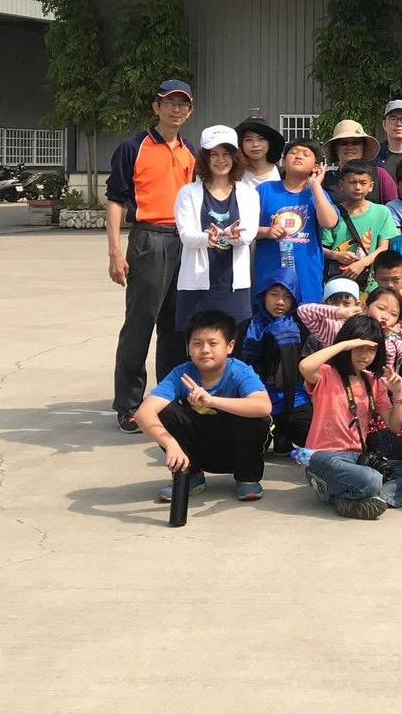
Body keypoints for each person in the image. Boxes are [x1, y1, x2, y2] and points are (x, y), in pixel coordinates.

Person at [107, 79, 198, 433]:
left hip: (185, 242)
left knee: (176, 327)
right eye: (169, 102)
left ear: (190, 111)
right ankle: (129, 404)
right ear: (156, 107)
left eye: (183, 104)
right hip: (149, 239)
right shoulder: (134, 147)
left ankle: (166, 399)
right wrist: (115, 250)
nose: (176, 109)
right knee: (140, 323)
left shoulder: (191, 151)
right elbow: (116, 199)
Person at [134, 310, 273, 503]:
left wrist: (211, 401)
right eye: (197, 343)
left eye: (213, 343)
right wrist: (170, 444)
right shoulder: (182, 374)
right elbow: (143, 413)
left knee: (256, 417)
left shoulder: (240, 372)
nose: (205, 350)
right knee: (165, 411)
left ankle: (247, 477)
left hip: (236, 448)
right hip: (198, 447)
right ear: (188, 347)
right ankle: (190, 475)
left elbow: (264, 406)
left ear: (230, 346)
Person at [298, 315, 402, 519]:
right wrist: (344, 345)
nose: (365, 355)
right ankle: (356, 494)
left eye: (371, 349)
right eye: (359, 348)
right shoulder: (326, 374)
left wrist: (397, 394)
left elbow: (395, 426)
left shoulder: (374, 382)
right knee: (372, 479)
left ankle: (364, 498)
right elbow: (304, 366)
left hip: (358, 458)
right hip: (324, 457)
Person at [174, 125, 260, 331]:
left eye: (226, 154)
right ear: (204, 158)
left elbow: (249, 233)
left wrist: (233, 236)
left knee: (235, 342)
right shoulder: (188, 193)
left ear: (235, 157)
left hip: (234, 285)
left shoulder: (248, 193)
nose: (221, 160)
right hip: (196, 285)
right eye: (214, 154)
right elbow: (186, 235)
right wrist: (208, 238)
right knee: (198, 342)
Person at [237, 271, 317, 453]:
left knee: (312, 437)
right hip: (256, 397)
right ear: (263, 296)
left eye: (287, 297)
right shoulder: (247, 328)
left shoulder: (301, 329)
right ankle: (273, 431)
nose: (280, 302)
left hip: (293, 399)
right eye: (274, 295)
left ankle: (284, 432)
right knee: (249, 448)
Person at [254, 138, 340, 307]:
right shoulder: (265, 190)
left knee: (306, 320)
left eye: (306, 154)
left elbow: (329, 222)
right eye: (293, 153)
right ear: (283, 161)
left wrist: (316, 185)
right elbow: (244, 228)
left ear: (316, 166)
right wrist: (266, 232)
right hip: (270, 275)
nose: (298, 156)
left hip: (307, 276)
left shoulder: (317, 194)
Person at [321, 159, 398, 285]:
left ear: (371, 186)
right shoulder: (331, 214)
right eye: (352, 182)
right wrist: (336, 255)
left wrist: (362, 263)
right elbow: (322, 247)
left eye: (363, 183)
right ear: (341, 185)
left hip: (372, 283)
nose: (357, 187)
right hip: (339, 281)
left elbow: (383, 247)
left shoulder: (382, 212)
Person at [324, 119, 396, 205]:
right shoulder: (326, 179)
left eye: (355, 143)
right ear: (335, 148)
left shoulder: (380, 175)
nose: (350, 147)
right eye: (344, 143)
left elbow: (393, 209)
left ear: (363, 147)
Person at [236, 117, 284, 189]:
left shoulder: (284, 175)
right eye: (248, 140)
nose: (255, 144)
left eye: (261, 139)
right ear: (241, 144)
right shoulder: (233, 175)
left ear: (269, 143)